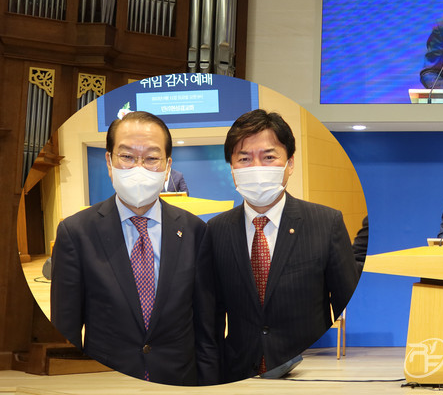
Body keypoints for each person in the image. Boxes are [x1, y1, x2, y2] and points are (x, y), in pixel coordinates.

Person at [50, 111, 217, 385]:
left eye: (151, 158)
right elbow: (64, 331)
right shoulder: (76, 232)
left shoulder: (195, 231)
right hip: (105, 382)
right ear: (109, 161)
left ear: (167, 166)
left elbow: (205, 329)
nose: (138, 168)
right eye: (127, 156)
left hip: (178, 380)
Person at [205, 109, 359, 383]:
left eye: (269, 157)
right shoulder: (215, 231)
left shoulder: (326, 222)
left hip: (310, 373)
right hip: (239, 373)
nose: (256, 167)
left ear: (290, 163)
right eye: (244, 158)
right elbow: (210, 317)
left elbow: (346, 298)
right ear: (231, 168)